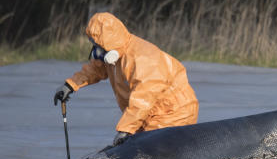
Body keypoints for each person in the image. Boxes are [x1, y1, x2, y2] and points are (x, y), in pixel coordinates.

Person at [53, 11, 199, 145]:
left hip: (173, 113)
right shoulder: (111, 55)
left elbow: (143, 99)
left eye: (98, 45)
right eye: (93, 44)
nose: (96, 51)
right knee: (140, 151)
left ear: (109, 42)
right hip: (147, 115)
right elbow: (95, 69)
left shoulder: (142, 57)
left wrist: (125, 130)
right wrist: (71, 85)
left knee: (153, 151)